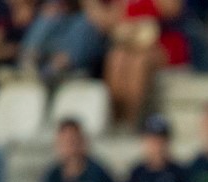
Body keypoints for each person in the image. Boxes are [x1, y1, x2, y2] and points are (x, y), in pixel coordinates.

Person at [81, 0, 189, 128]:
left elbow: (173, 10)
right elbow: (106, 22)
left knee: (139, 63)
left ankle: (131, 119)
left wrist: (140, 19)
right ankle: (117, 118)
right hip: (130, 43)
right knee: (116, 58)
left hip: (162, 43)